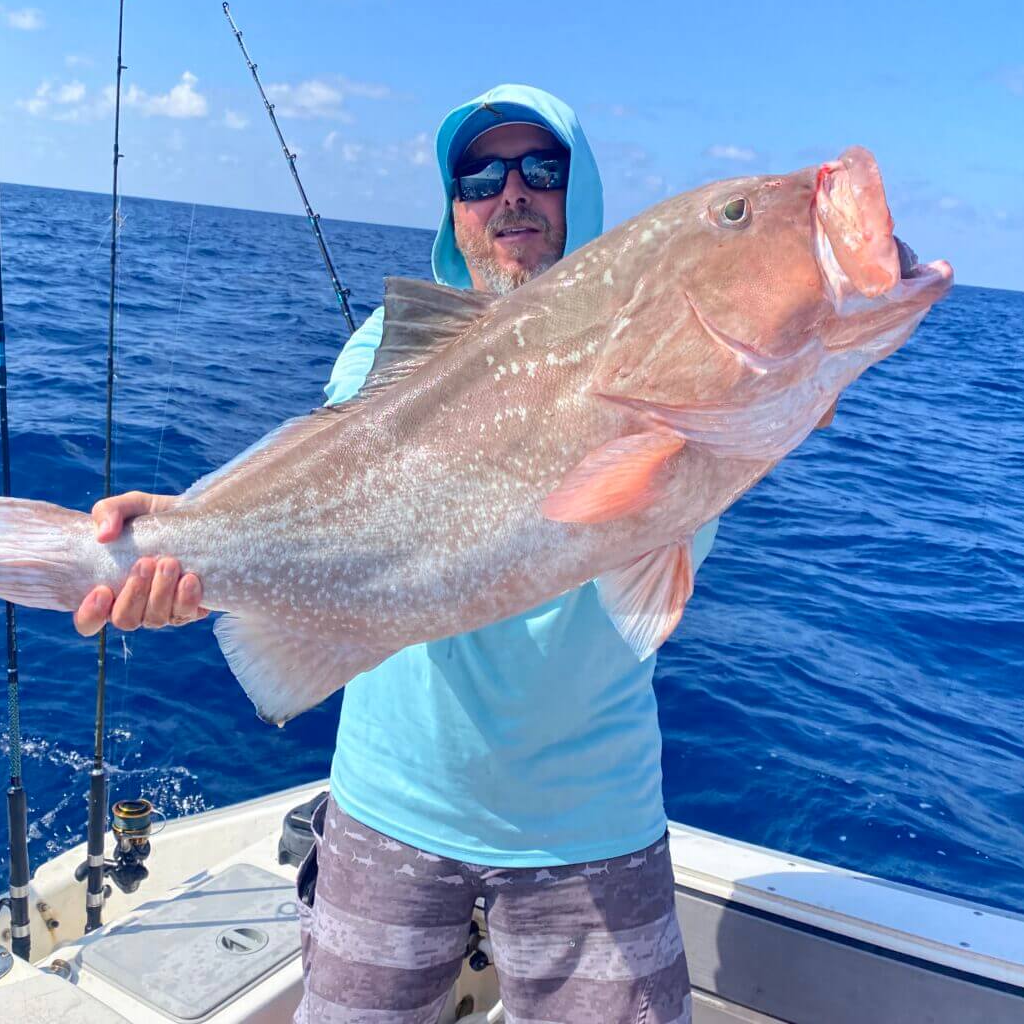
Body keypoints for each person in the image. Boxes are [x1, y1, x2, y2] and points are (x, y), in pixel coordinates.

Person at [74, 85, 714, 1024]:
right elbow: (320, 497)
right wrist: (188, 537)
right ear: (454, 208)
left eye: (542, 170)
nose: (511, 196)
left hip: (593, 819)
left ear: (584, 198)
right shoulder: (388, 345)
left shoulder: (660, 342)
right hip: (391, 800)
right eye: (479, 177)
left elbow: (663, 539)